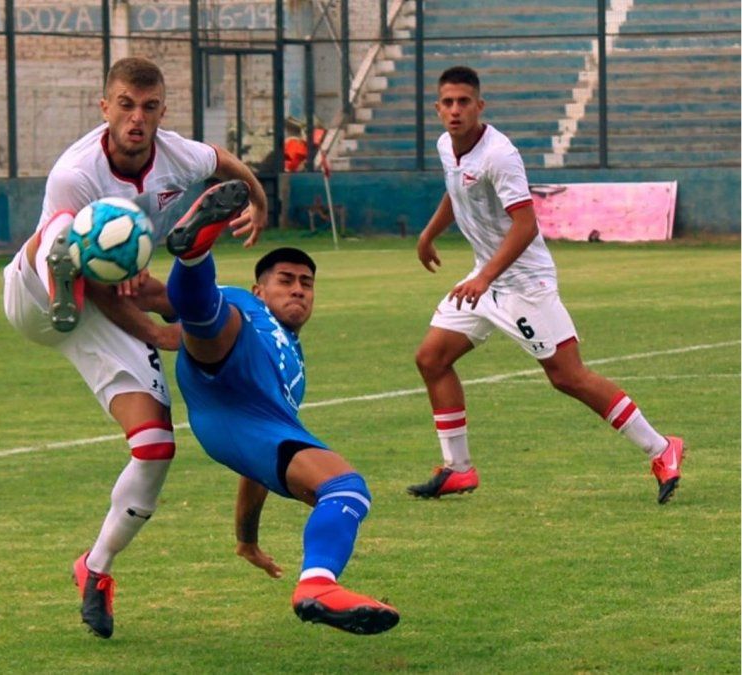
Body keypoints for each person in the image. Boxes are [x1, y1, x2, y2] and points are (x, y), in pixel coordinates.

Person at [2, 56, 267, 639]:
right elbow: (113, 293)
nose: (136, 118)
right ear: (105, 107)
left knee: (155, 449)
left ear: (161, 111)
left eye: (148, 107)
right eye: (125, 105)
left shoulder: (176, 152)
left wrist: (259, 198)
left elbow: (220, 160)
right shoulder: (75, 171)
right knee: (68, 239)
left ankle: (94, 570)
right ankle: (73, 269)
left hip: (101, 311)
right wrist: (152, 330)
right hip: (37, 299)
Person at [407, 66, 684, 504]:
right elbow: (456, 191)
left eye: (464, 102)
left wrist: (484, 277)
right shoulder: (447, 146)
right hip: (485, 280)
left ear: (480, 106)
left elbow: (525, 225)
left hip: (524, 284)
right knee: (432, 358)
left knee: (568, 377)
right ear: (437, 108)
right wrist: (429, 234)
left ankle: (662, 448)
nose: (455, 110)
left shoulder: (500, 155)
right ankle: (458, 469)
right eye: (447, 102)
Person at [159, 188, 400, 635]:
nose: (298, 289)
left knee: (347, 490)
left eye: (306, 284)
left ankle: (317, 585)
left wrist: (247, 539)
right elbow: (158, 302)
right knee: (212, 314)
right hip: (225, 366)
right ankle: (194, 254)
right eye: (286, 280)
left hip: (248, 419)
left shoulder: (296, 367)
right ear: (260, 288)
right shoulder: (247, 303)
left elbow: (257, 465)